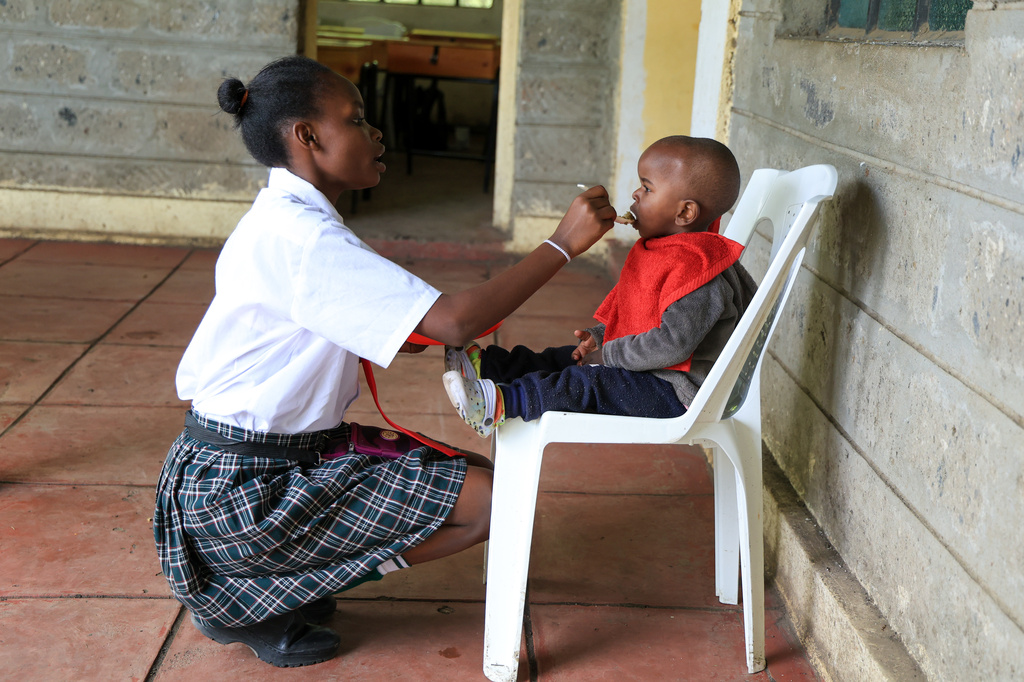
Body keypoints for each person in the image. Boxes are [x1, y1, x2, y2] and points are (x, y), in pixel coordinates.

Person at [153, 56, 615, 668]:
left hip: (241, 465)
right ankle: (248, 596)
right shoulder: (306, 240)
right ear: (307, 137)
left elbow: (410, 327)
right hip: (245, 493)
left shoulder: (288, 221)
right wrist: (561, 244)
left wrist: (545, 359)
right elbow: (451, 320)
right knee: (483, 503)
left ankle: (280, 583)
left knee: (466, 471)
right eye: (357, 119)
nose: (377, 134)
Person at [442, 135, 756, 437]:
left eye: (647, 188)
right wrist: (601, 336)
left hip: (676, 394)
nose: (635, 194)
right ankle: (491, 368)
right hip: (653, 374)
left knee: (585, 380)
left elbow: (672, 343)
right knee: (570, 357)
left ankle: (500, 405)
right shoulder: (667, 251)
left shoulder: (701, 273)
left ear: (685, 212)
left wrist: (609, 354)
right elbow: (646, 316)